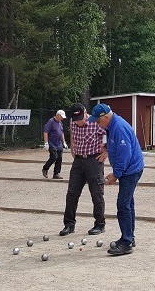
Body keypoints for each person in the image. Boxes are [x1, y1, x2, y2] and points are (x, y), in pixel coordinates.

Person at [89, 103, 144, 256]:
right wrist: (108, 146)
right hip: (130, 168)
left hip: (130, 170)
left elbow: (125, 154)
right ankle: (129, 237)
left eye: (98, 121)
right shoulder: (112, 125)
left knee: (123, 205)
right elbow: (120, 146)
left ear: (106, 117)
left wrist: (116, 174)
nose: (97, 124)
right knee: (128, 203)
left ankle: (126, 243)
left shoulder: (118, 127)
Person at [59, 103, 108, 237]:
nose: (78, 122)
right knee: (72, 193)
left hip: (94, 160)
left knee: (96, 194)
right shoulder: (72, 122)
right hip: (78, 161)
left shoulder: (95, 122)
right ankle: (69, 224)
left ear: (85, 113)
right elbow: (73, 134)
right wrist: (72, 146)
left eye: (80, 119)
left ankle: (99, 224)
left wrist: (106, 152)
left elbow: (110, 133)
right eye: (76, 119)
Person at [42, 109, 68, 179]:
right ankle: (45, 168)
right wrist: (46, 143)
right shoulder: (51, 122)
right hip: (52, 142)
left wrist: (64, 142)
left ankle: (56, 173)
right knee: (53, 157)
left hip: (59, 143)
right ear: (58, 115)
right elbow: (45, 132)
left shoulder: (60, 122)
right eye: (61, 117)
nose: (62, 118)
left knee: (59, 158)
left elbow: (61, 132)